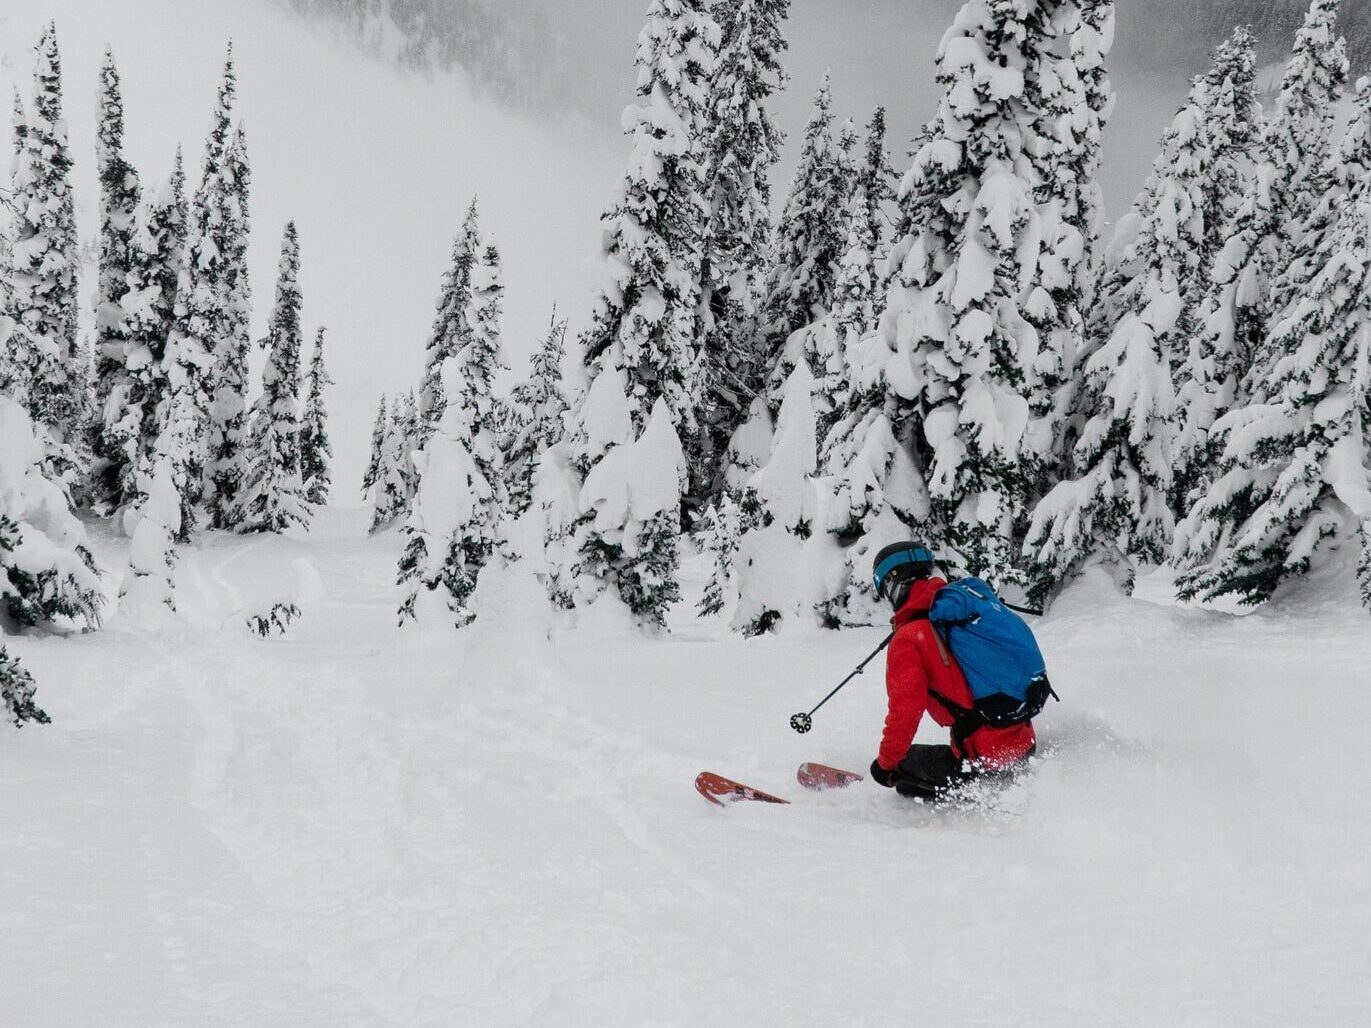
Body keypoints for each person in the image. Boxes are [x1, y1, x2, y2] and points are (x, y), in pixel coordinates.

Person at [868, 542, 1037, 801]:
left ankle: (956, 801)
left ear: (894, 586)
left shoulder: (909, 639)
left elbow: (905, 712)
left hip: (981, 763)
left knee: (904, 767)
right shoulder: (960, 615)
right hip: (1024, 746)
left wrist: (885, 765)